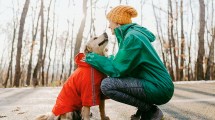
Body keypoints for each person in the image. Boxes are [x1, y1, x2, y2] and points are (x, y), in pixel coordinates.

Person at [85, 5, 174, 120]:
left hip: (158, 87)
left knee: (107, 85)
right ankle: (145, 110)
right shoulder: (132, 35)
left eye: (110, 22)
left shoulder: (132, 38)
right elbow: (124, 65)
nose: (109, 25)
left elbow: (117, 70)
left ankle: (150, 111)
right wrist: (108, 59)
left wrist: (92, 58)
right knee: (123, 78)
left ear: (118, 22)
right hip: (155, 84)